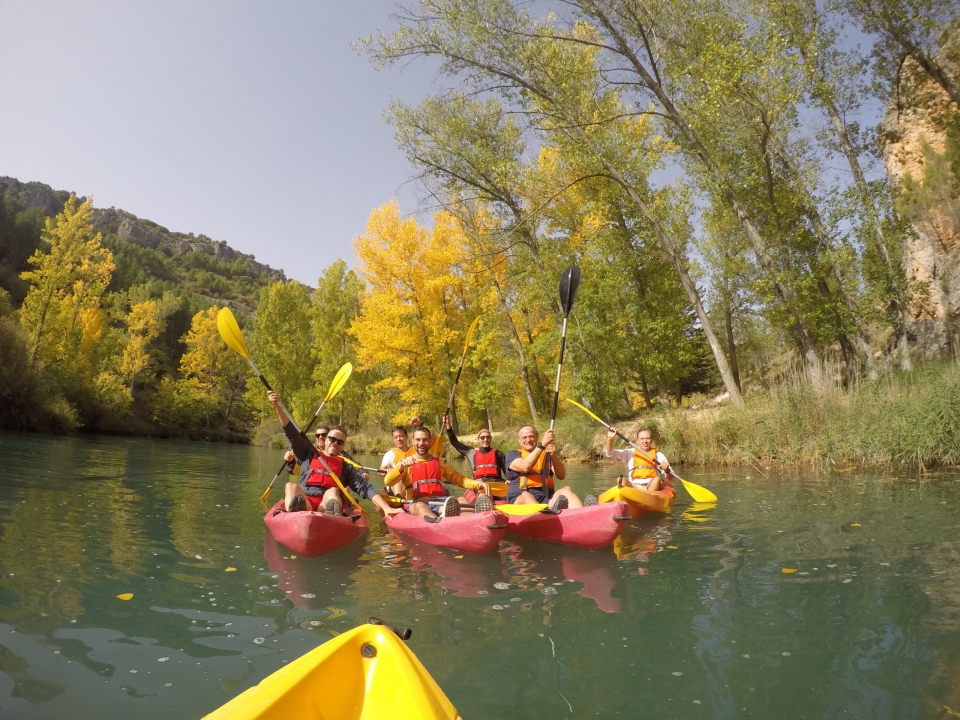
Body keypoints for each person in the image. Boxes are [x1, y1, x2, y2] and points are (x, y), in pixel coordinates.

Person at [267, 391, 400, 517]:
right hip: (305, 500)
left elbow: (365, 488)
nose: (335, 443)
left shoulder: (346, 466)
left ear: (343, 445)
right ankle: (296, 514)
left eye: (340, 442)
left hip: (325, 504)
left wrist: (386, 507)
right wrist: (278, 406)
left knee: (332, 491)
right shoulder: (307, 453)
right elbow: (291, 433)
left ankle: (325, 517)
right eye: (332, 439)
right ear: (325, 440)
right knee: (290, 486)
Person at [383, 426, 494, 522]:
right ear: (412, 441)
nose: (421, 443)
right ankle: (438, 524)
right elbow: (388, 481)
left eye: (425, 440)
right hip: (417, 502)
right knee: (420, 506)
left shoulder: (440, 462)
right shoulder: (405, 463)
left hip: (440, 501)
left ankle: (474, 521)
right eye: (418, 440)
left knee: (460, 500)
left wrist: (478, 484)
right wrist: (399, 467)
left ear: (430, 442)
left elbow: (459, 479)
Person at [505, 425, 594, 511]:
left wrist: (553, 456)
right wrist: (542, 445)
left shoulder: (545, 455)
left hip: (545, 498)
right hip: (521, 496)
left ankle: (583, 514)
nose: (528, 440)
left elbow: (561, 475)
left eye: (531, 436)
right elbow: (525, 467)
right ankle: (543, 517)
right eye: (524, 437)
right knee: (527, 496)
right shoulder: (513, 454)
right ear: (519, 440)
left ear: (537, 437)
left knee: (567, 490)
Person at [443, 414, 507, 500]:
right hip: (480, 485)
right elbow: (455, 442)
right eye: (482, 437)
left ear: (491, 439)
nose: (485, 440)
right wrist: (448, 426)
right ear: (478, 439)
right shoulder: (471, 452)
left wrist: (510, 480)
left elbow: (508, 473)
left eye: (488, 437)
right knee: (484, 497)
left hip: (497, 484)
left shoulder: (499, 453)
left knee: (509, 495)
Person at [604, 427, 671, 491]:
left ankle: (647, 498)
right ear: (637, 441)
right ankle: (626, 499)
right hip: (634, 486)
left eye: (648, 438)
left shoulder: (659, 455)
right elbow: (610, 454)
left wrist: (667, 471)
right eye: (642, 439)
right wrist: (610, 439)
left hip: (652, 485)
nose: (645, 441)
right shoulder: (630, 452)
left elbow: (671, 479)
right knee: (620, 480)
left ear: (652, 440)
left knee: (657, 479)